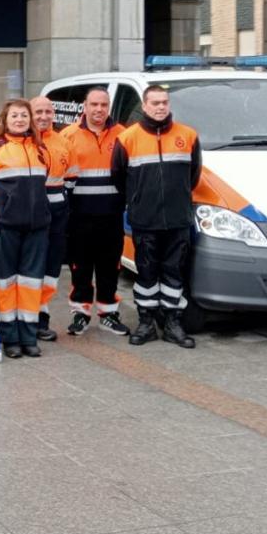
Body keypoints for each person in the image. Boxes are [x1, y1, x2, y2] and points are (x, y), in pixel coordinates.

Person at [110, 85, 201, 349]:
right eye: (155, 103)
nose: (161, 107)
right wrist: (137, 200)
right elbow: (118, 177)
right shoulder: (128, 138)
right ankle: (146, 323)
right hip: (145, 219)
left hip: (177, 219)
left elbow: (193, 176)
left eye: (164, 102)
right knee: (146, 273)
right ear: (145, 106)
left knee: (174, 272)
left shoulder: (188, 136)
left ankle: (173, 323)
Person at [62, 87, 130, 337]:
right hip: (79, 217)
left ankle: (108, 314)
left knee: (109, 268)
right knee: (80, 268)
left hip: (112, 216)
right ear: (84, 106)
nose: (99, 109)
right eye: (94, 104)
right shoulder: (68, 136)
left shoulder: (123, 135)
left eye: (103, 105)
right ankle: (80, 314)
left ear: (108, 107)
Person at [0, 99, 51, 358]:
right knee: (5, 283)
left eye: (24, 115)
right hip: (6, 226)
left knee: (31, 283)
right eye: (14, 115)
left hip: (37, 227)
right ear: (5, 119)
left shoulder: (39, 148)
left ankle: (28, 336)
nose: (19, 120)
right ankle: (10, 338)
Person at [29, 96, 71, 343]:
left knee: (51, 270)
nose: (44, 116)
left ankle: (41, 318)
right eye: (38, 112)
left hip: (57, 216)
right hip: (29, 215)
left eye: (48, 111)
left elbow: (71, 180)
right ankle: (22, 320)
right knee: (28, 269)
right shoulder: (21, 141)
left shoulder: (64, 142)